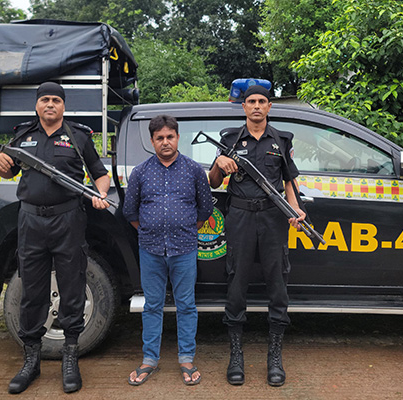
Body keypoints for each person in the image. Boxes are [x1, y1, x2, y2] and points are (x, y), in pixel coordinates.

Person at [0, 82, 111, 394]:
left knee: (71, 286)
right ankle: (31, 359)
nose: (50, 105)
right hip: (30, 220)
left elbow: (99, 172)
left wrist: (100, 193)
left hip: (68, 219)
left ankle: (71, 356)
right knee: (32, 289)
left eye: (56, 100)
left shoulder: (78, 136)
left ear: (63, 106)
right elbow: (8, 170)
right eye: (45, 100)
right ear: (37, 105)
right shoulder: (23, 136)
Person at [208, 84, 305, 387]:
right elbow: (213, 180)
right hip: (239, 218)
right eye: (251, 101)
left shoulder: (281, 140)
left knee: (278, 283)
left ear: (269, 107)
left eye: (262, 101)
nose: (257, 106)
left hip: (274, 219)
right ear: (244, 106)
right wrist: (218, 164)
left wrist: (296, 211)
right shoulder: (230, 139)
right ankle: (236, 356)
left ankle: (274, 358)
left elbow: (290, 182)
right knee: (237, 282)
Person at [123, 115, 213, 386]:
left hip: (184, 249)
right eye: (159, 138)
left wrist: (184, 227)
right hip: (150, 250)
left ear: (178, 138)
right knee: (152, 306)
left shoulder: (194, 170)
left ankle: (186, 358)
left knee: (186, 305)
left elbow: (205, 208)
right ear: (152, 141)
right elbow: (129, 211)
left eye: (170, 137)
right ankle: (149, 359)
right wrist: (151, 230)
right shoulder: (140, 171)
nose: (165, 142)